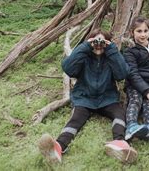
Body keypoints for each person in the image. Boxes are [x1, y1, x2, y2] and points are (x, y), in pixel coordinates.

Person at [37, 29, 137, 164]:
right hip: (84, 98)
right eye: (95, 41)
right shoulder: (83, 56)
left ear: (108, 44)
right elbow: (68, 68)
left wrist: (112, 50)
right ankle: (58, 147)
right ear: (89, 42)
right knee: (75, 120)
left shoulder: (111, 57)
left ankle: (119, 143)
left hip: (107, 98)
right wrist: (84, 47)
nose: (98, 45)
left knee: (120, 114)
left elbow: (122, 74)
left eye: (103, 42)